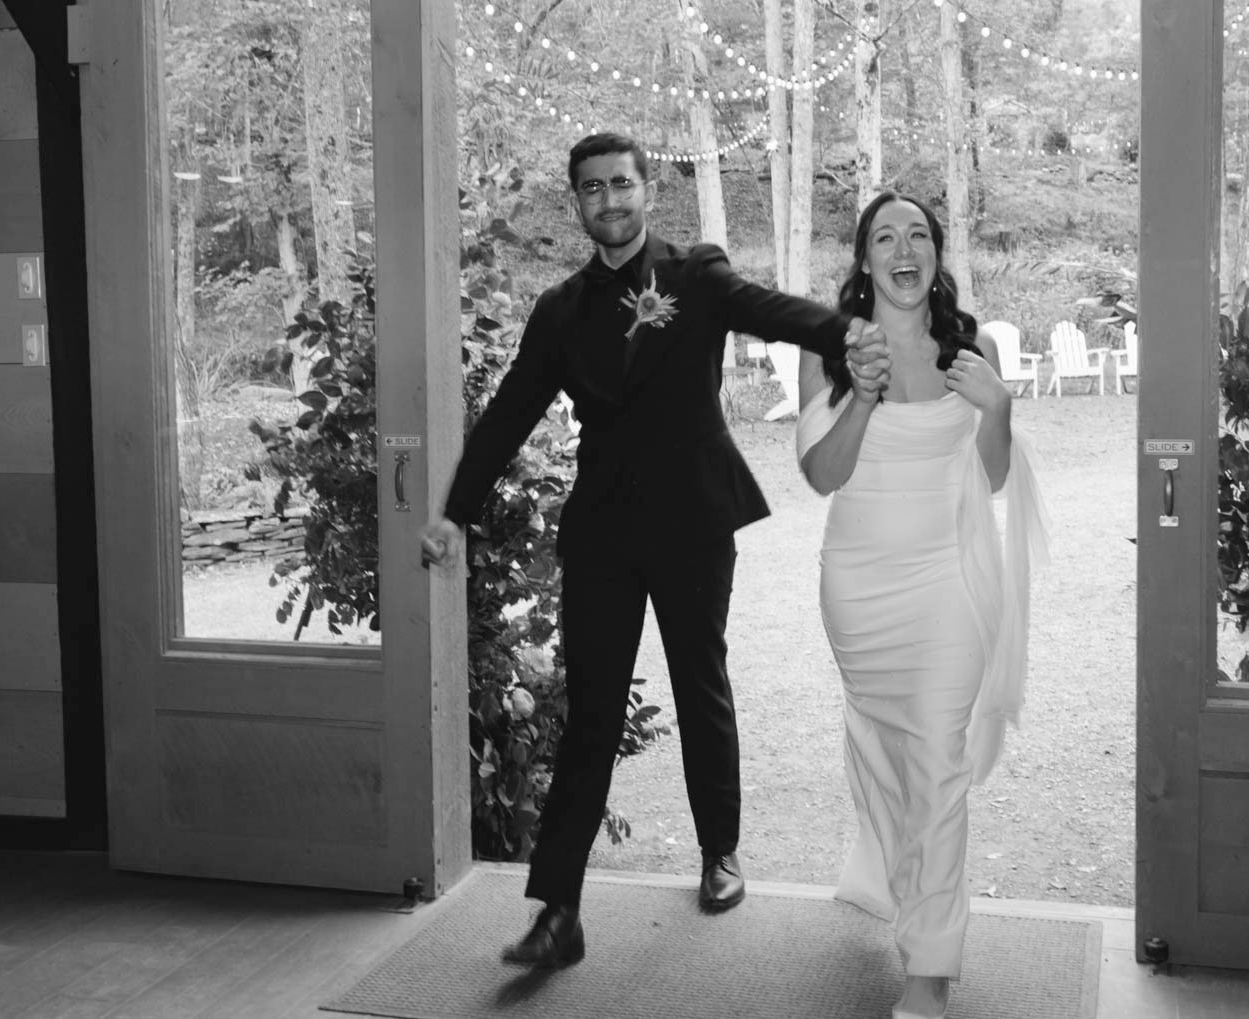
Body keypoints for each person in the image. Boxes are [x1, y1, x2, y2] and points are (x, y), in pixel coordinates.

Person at [420, 132, 887, 969]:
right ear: (578, 203)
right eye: (593, 188)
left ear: (647, 192)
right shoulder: (559, 311)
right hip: (602, 527)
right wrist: (456, 510)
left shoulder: (694, 274)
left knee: (698, 678)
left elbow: (768, 309)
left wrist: (844, 329)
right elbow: (507, 415)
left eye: (623, 183)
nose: (611, 200)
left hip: (693, 515)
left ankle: (720, 852)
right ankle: (557, 910)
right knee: (591, 710)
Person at [795, 192, 1048, 1019]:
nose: (903, 250)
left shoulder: (963, 349)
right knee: (887, 755)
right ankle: (902, 885)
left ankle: (930, 967)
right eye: (884, 237)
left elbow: (996, 476)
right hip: (861, 589)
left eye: (918, 237)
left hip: (948, 583)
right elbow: (822, 474)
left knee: (938, 764)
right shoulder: (829, 350)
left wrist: (998, 407)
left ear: (936, 255)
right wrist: (862, 396)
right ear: (863, 260)